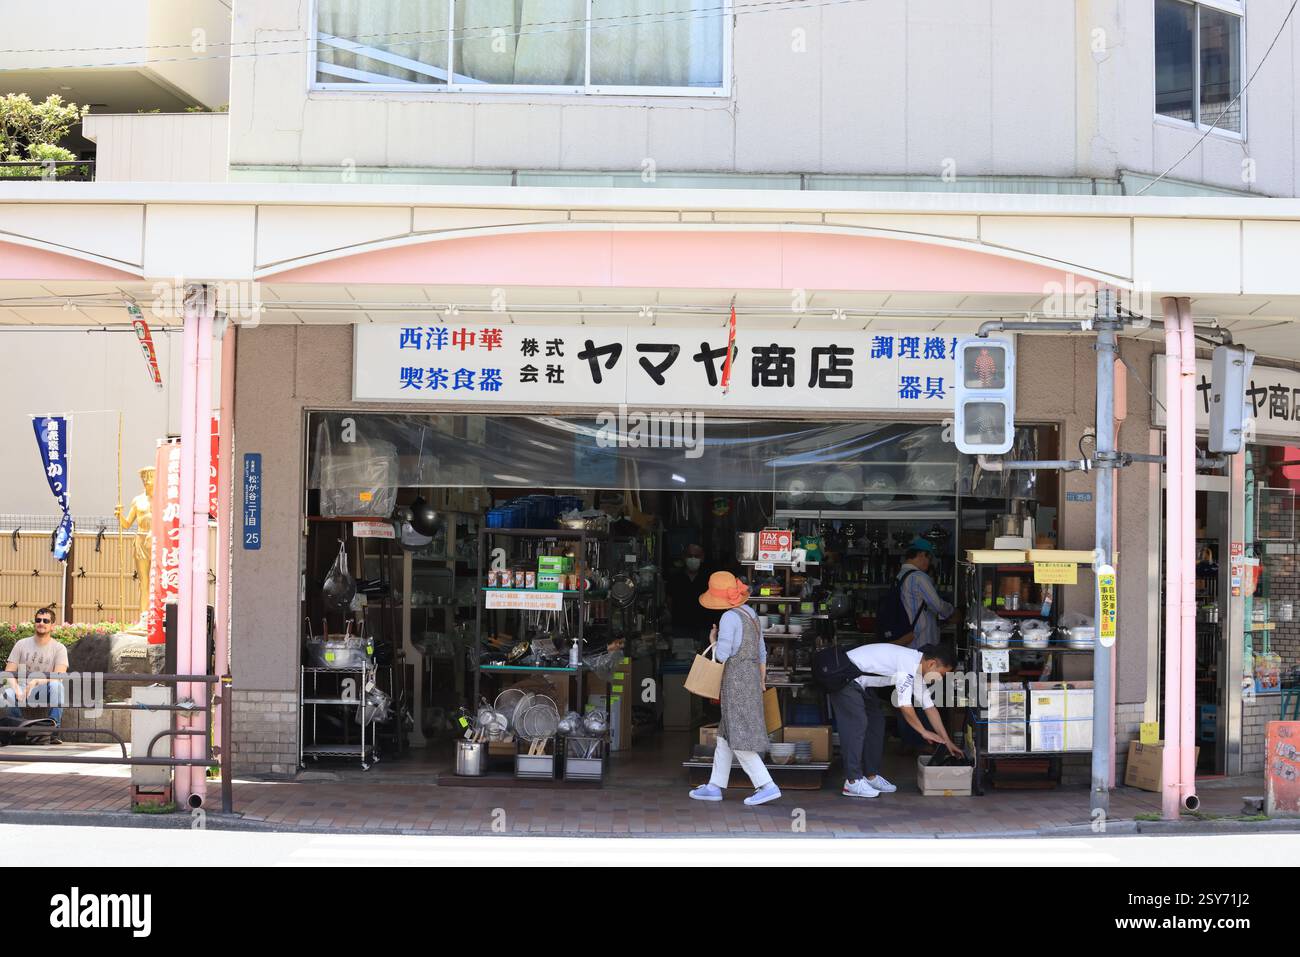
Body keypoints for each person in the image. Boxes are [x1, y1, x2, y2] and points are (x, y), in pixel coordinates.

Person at [688, 571, 782, 806]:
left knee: (739, 735)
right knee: (725, 735)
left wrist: (713, 640)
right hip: (750, 678)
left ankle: (766, 784)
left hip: (735, 680)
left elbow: (722, 655)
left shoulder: (729, 618)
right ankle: (715, 785)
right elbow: (761, 652)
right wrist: (761, 681)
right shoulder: (751, 614)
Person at [832, 642, 961, 799]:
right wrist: (923, 732)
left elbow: (930, 708)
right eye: (941, 675)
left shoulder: (917, 669)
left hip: (861, 685)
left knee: (877, 722)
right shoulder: (908, 665)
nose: (939, 680)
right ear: (932, 664)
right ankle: (852, 781)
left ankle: (870, 776)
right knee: (858, 724)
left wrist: (947, 741)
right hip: (844, 679)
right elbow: (905, 706)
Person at [889, 537, 955, 751]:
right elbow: (937, 606)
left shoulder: (900, 576)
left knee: (904, 694)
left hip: (905, 645)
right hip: (920, 647)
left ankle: (909, 739)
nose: (929, 562)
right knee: (924, 697)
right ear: (920, 555)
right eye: (928, 557)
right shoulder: (918, 577)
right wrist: (953, 612)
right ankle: (924, 741)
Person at [3, 607, 68, 743]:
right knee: (7, 693)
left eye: (46, 621)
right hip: (22, 689)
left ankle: (53, 731)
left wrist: (36, 681)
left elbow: (59, 674)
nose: (41, 623)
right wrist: (16, 690)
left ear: (52, 626)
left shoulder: (59, 648)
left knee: (57, 685)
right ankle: (20, 730)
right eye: (38, 620)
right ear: (35, 623)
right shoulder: (21, 644)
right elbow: (9, 672)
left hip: (45, 688)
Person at [667, 543, 717, 650]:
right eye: (690, 556)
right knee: (681, 658)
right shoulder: (676, 578)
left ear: (702, 558)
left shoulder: (709, 578)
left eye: (696, 556)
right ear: (684, 557)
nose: (693, 559)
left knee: (703, 659)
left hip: (704, 627)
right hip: (681, 626)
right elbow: (669, 601)